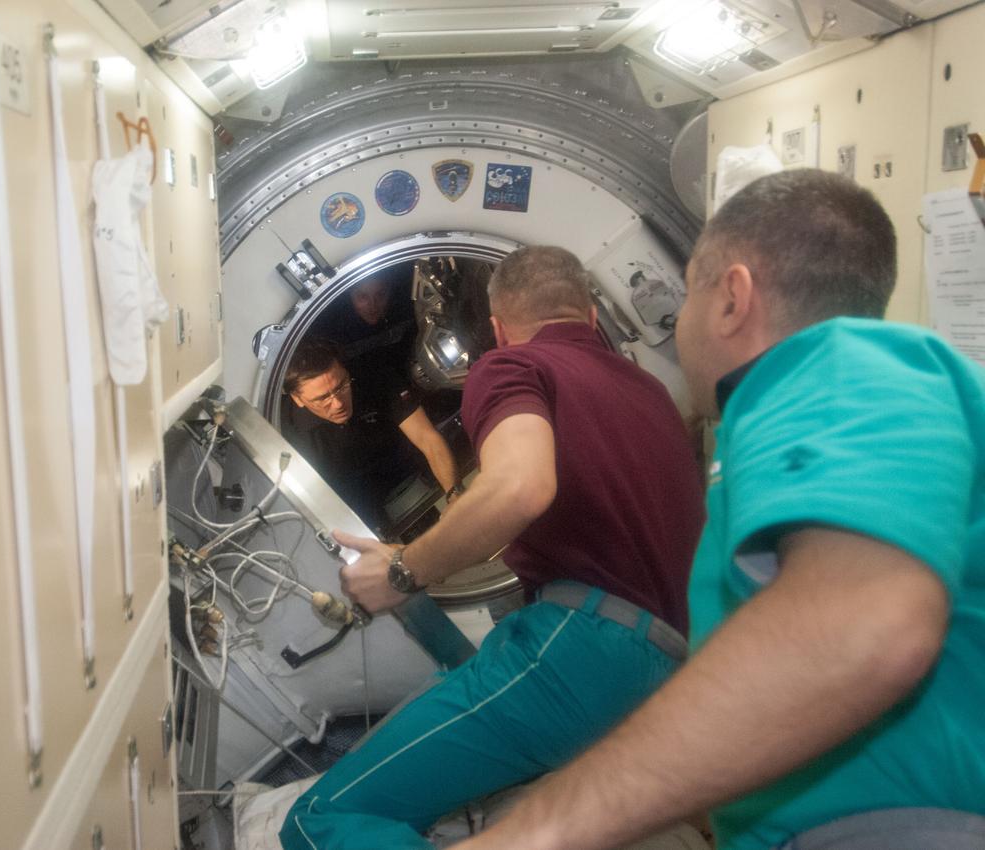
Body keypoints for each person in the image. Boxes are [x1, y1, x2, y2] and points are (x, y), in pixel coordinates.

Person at [454, 169, 985, 850]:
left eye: (688, 302)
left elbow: (862, 629)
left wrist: (532, 834)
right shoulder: (810, 418)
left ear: (732, 297)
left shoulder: (839, 368)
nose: (679, 333)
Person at [279, 246, 706, 850]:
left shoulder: (510, 369)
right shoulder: (648, 389)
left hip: (582, 649)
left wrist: (401, 571)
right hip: (671, 658)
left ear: (499, 328)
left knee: (315, 823)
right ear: (590, 314)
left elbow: (520, 485)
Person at [284, 337, 459, 531]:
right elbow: (318, 506)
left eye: (341, 386)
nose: (338, 403)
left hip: (404, 466)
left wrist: (455, 494)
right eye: (322, 398)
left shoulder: (374, 376)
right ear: (297, 399)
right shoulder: (292, 440)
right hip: (353, 499)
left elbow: (427, 438)